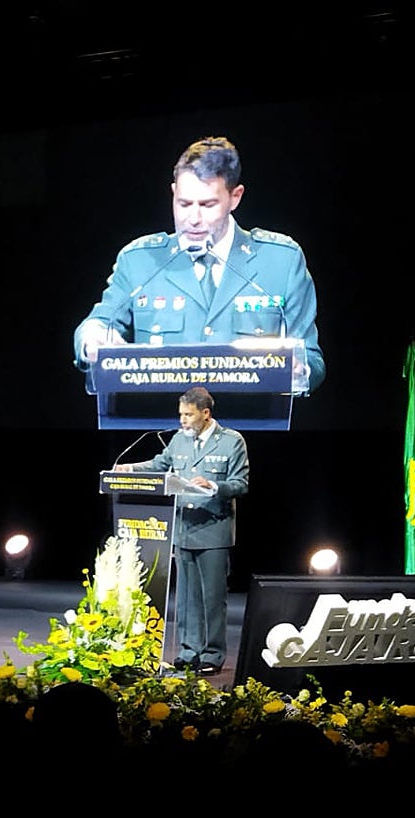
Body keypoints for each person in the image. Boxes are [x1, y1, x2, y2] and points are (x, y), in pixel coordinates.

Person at [73, 135, 326, 395]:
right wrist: (93, 338)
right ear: (173, 193)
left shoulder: (280, 261)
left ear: (235, 197)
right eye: (184, 204)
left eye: (207, 205)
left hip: (249, 427)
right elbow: (98, 323)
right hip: (162, 426)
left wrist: (297, 369)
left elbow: (312, 360)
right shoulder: (140, 261)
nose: (192, 218)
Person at [113, 387, 248, 676]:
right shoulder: (178, 440)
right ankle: (189, 651)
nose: (183, 420)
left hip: (213, 530)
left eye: (188, 415)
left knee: (211, 598)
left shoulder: (231, 441)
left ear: (205, 414)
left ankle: (212, 654)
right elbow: (159, 465)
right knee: (186, 597)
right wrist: (130, 470)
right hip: (183, 528)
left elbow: (240, 483)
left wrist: (213, 486)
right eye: (180, 415)